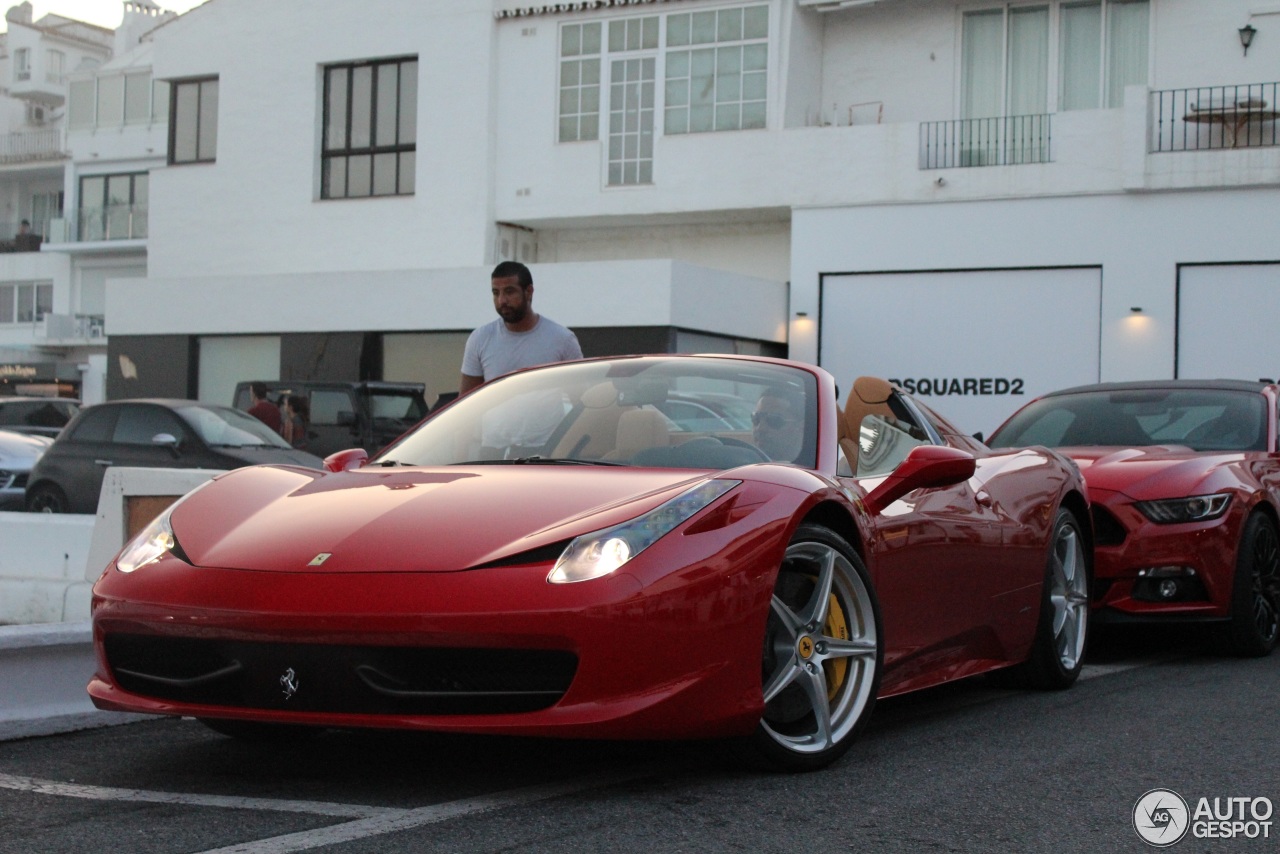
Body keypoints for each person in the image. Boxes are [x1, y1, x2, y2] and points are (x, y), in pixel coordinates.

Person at [459, 261, 582, 395]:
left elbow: (580, 396)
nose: (502, 301)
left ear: (529, 292)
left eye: (509, 291)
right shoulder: (479, 339)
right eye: (496, 293)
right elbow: (466, 402)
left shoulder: (563, 339)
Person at [753, 386, 806, 462]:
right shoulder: (743, 462)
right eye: (756, 418)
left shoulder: (816, 465)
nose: (760, 428)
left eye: (774, 420)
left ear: (801, 427)